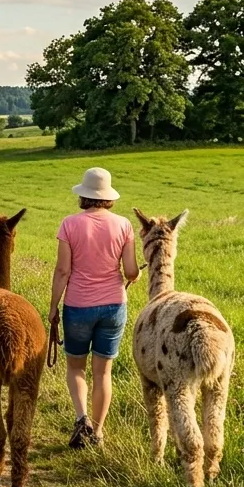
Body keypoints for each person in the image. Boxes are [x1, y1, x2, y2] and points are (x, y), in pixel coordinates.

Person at [47, 167, 140, 449]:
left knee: (76, 367)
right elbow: (131, 271)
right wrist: (133, 277)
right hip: (113, 306)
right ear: (108, 196)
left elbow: (63, 271)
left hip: (78, 305)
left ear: (84, 195)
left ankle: (81, 417)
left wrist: (53, 307)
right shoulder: (124, 225)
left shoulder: (69, 224)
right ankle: (97, 433)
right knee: (103, 373)